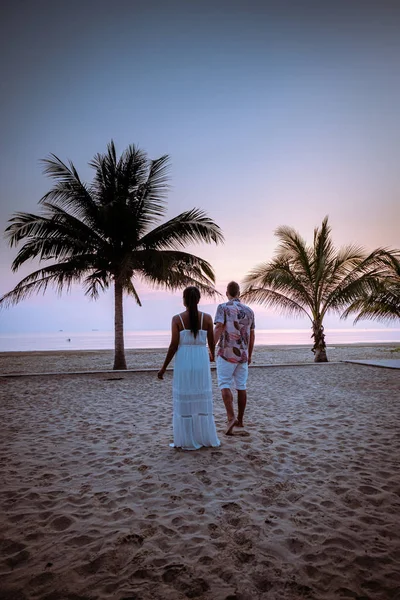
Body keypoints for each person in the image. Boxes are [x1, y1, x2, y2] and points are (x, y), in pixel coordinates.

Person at [158, 286, 221, 450]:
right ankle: (204, 437)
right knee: (200, 397)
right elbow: (212, 342)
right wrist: (212, 355)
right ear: (199, 300)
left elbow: (173, 346)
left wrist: (164, 368)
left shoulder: (177, 319)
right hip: (201, 360)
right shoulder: (206, 318)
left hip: (184, 362)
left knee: (185, 399)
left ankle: (187, 439)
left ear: (184, 300)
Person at [214, 281, 255, 435]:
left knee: (224, 383)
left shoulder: (223, 308)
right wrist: (249, 354)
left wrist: (211, 347)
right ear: (239, 293)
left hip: (226, 353)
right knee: (241, 386)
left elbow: (218, 327)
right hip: (243, 354)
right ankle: (241, 420)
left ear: (227, 293)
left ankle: (231, 417)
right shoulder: (249, 311)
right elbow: (252, 335)